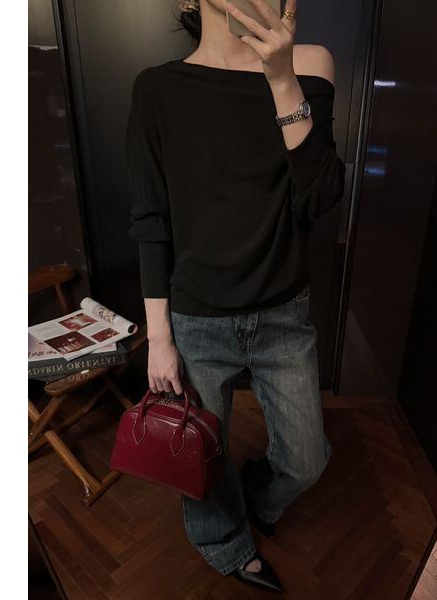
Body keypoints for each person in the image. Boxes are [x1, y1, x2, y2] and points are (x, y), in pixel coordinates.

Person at [125, 0, 346, 592]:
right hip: (198, 318)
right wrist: (159, 340)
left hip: (283, 314)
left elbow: (322, 198)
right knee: (202, 454)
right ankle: (222, 540)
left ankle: (260, 496)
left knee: (306, 460)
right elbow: (151, 221)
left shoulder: (310, 65)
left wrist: (281, 78)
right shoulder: (157, 89)